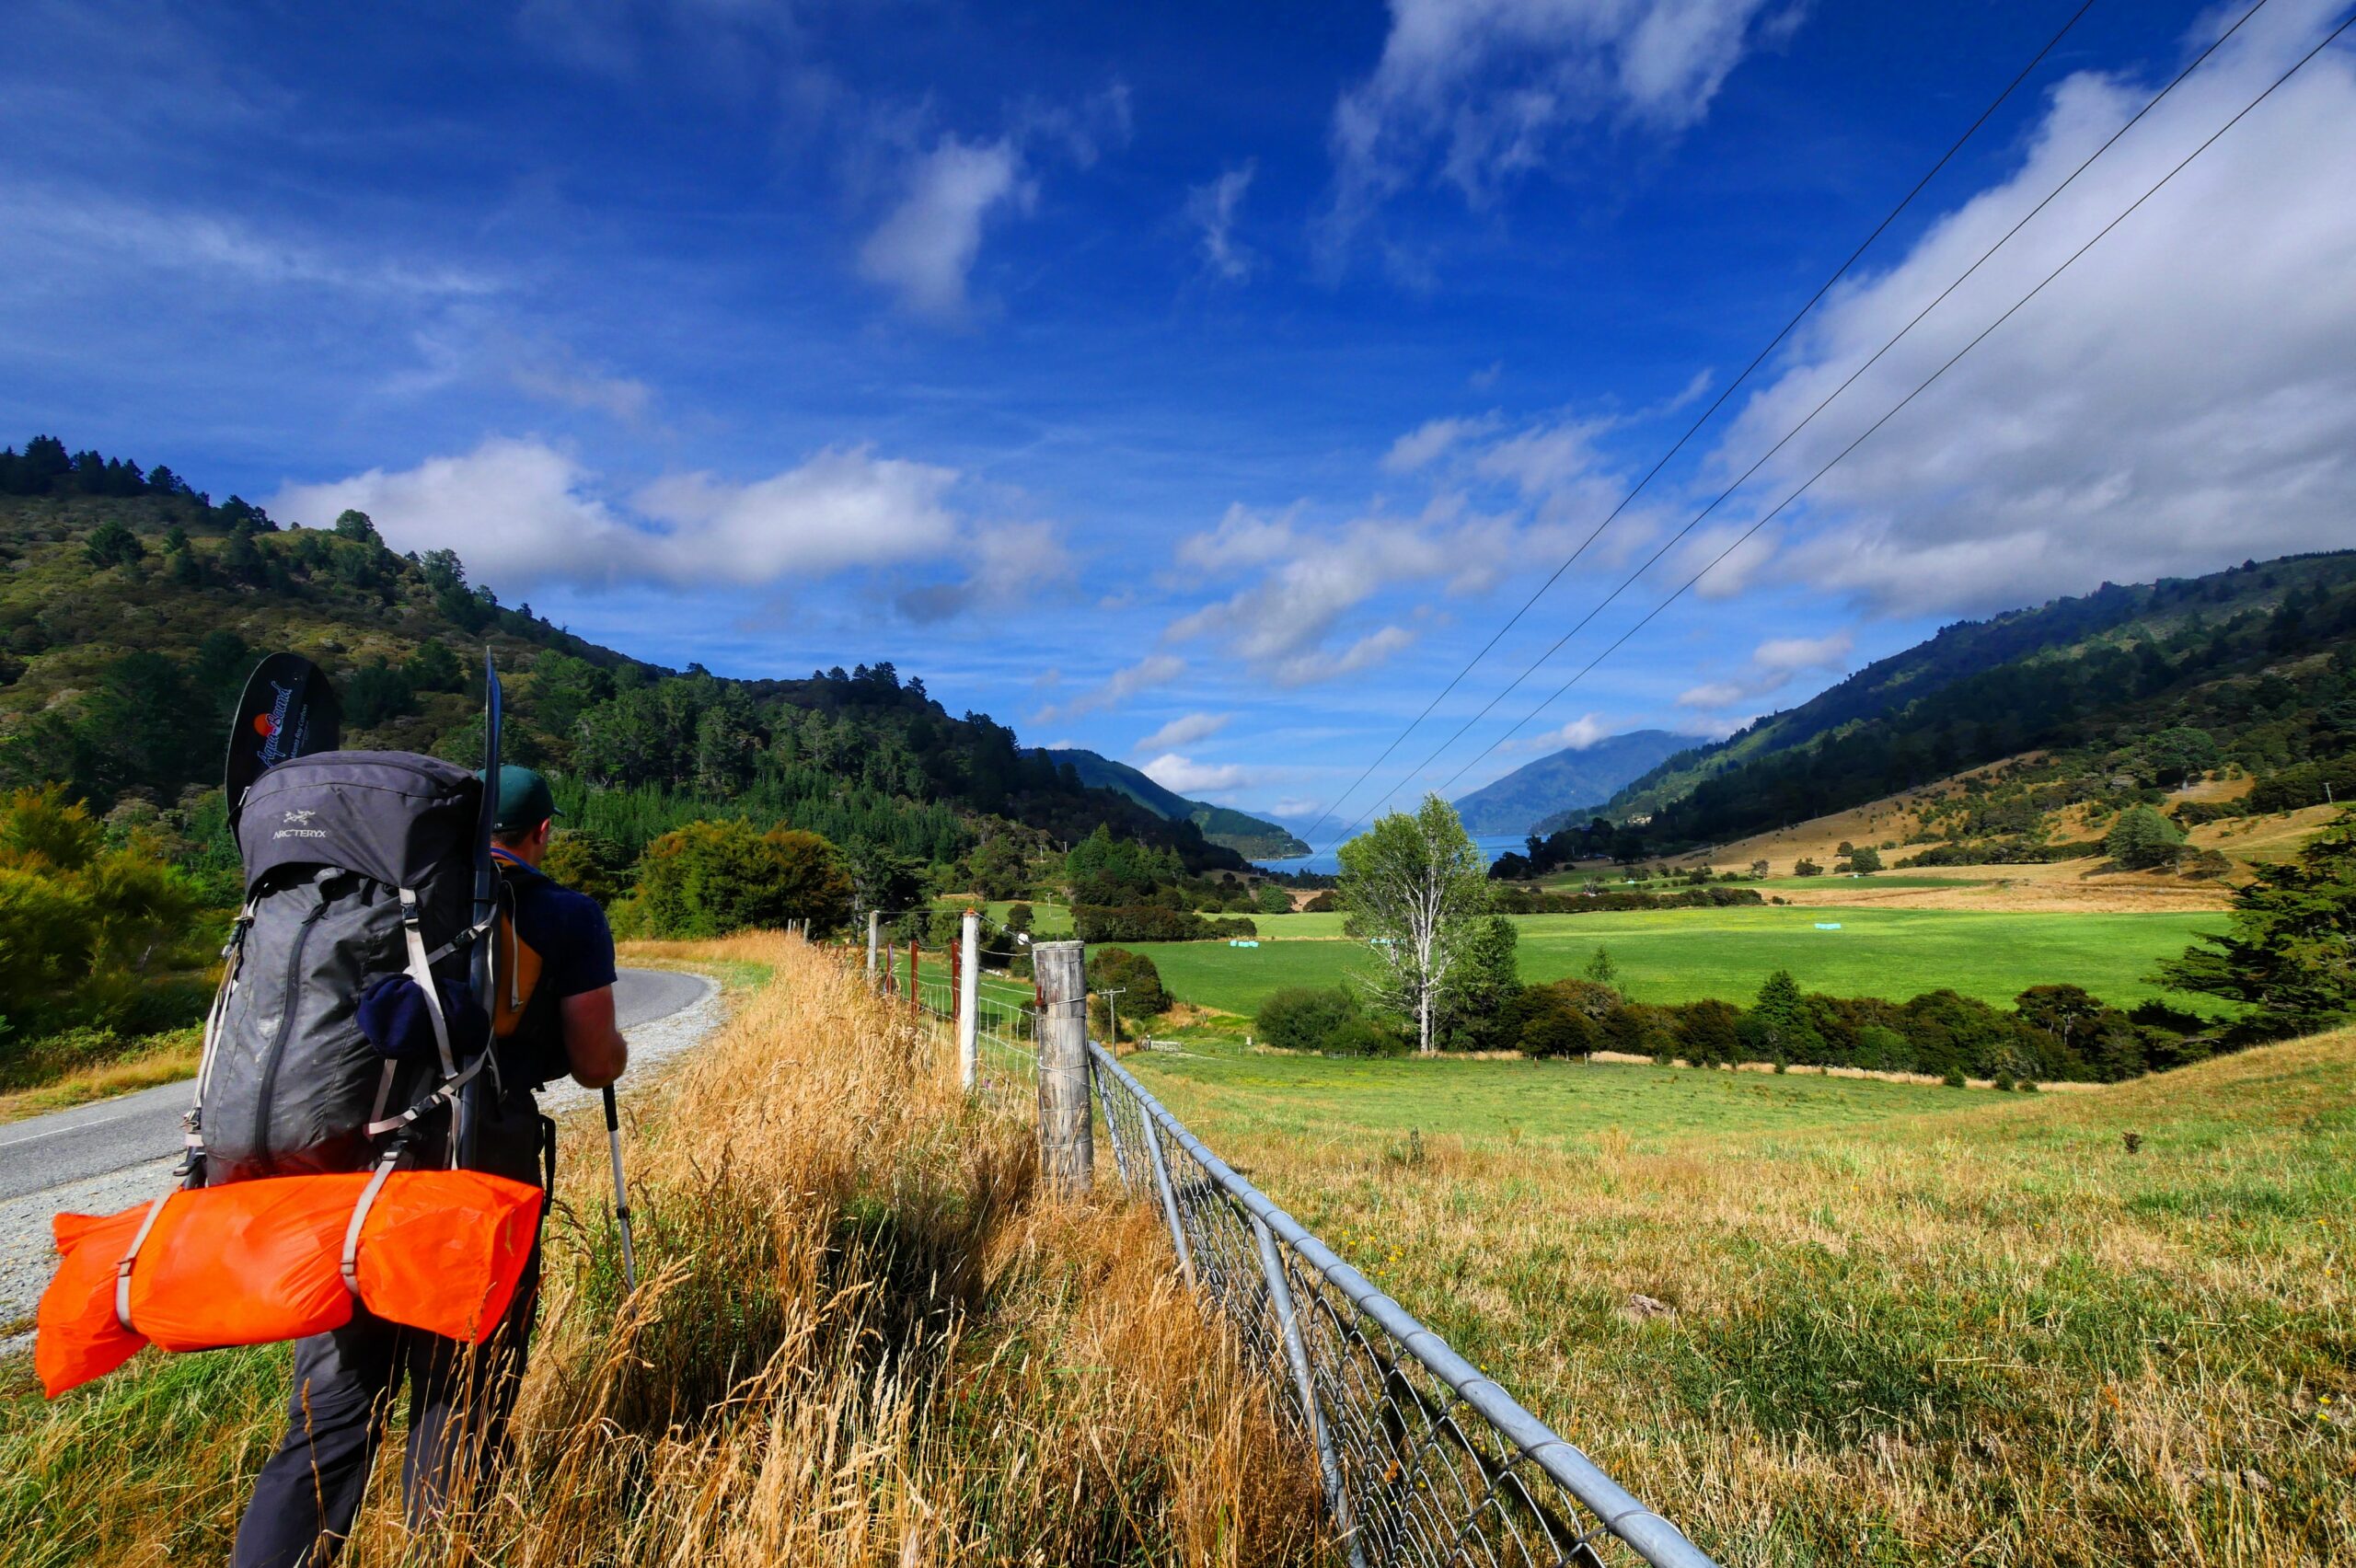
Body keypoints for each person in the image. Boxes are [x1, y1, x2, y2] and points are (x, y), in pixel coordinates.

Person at [234, 767, 628, 1568]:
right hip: (478, 1166)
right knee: (461, 1395)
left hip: (351, 1168)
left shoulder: (365, 900)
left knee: (331, 1412)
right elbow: (595, 1064)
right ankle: (443, 1550)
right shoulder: (562, 913)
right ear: (540, 833)